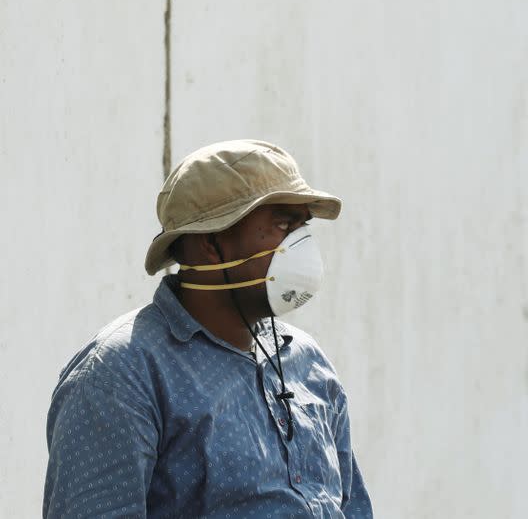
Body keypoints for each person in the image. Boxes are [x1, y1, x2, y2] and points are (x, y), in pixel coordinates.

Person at [43, 140, 374, 518]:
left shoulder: (306, 360)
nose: (300, 245)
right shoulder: (122, 374)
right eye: (282, 225)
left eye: (302, 227)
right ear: (210, 244)